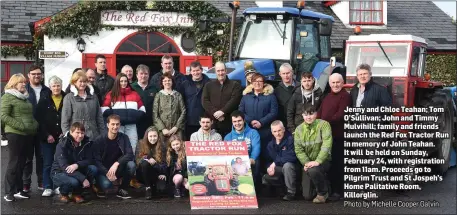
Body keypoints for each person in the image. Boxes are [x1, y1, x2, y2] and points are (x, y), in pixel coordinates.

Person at [1, 74, 38, 202]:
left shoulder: (24, 98)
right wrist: (20, 126)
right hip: (14, 133)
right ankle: (8, 192)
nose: (24, 84)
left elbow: (30, 116)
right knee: (14, 163)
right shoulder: (7, 96)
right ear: (13, 84)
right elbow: (4, 116)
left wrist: (34, 125)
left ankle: (18, 190)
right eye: (21, 82)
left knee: (22, 163)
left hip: (27, 134)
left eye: (24, 82)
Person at [317, 73, 351, 201]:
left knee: (339, 164)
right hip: (327, 137)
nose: (335, 85)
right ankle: (331, 189)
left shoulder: (345, 96)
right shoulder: (327, 97)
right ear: (330, 84)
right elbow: (319, 112)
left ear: (342, 83)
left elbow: (340, 115)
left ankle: (339, 191)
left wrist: (324, 124)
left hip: (339, 136)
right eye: (333, 82)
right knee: (330, 164)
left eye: (338, 82)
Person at [51, 122, 98, 203]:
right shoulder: (62, 144)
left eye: (82, 133)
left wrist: (77, 165)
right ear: (71, 132)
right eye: (77, 132)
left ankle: (76, 193)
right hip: (59, 172)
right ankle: (63, 193)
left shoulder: (86, 143)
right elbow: (64, 167)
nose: (80, 135)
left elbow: (90, 159)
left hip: (75, 169)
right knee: (74, 182)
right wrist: (83, 179)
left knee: (93, 169)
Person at [239, 73, 278, 171]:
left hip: (265, 132)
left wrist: (261, 122)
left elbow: (274, 112)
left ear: (264, 83)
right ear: (251, 83)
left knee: (266, 156)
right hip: (249, 132)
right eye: (255, 81)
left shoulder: (270, 96)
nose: (257, 83)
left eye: (260, 81)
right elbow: (241, 111)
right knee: (252, 156)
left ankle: (265, 180)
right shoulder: (246, 97)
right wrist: (251, 121)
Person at [294, 106, 332, 204]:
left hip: (323, 160)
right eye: (305, 114)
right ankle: (323, 183)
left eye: (311, 114)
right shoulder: (298, 129)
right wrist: (306, 163)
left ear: (316, 114)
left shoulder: (324, 125)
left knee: (314, 170)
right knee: (307, 196)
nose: (308, 117)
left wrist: (318, 161)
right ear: (302, 115)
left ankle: (323, 193)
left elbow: (326, 145)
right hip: (308, 164)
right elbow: (298, 150)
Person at [36, 76, 66, 197]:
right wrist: (47, 134)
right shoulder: (44, 100)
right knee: (48, 162)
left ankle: (57, 185)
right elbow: (39, 119)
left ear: (61, 86)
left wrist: (65, 132)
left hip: (62, 137)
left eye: (58, 85)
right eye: (54, 85)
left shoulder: (66, 98)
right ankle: (47, 186)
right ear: (50, 87)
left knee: (60, 163)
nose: (56, 88)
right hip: (47, 137)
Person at [93, 114, 136, 199]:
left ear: (120, 125)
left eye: (117, 124)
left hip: (118, 168)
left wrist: (117, 163)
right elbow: (96, 161)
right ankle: (97, 185)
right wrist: (107, 173)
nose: (115, 127)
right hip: (104, 170)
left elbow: (130, 154)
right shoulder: (99, 140)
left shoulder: (124, 137)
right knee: (106, 185)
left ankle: (122, 189)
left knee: (131, 165)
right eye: (113, 124)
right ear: (107, 125)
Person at [101, 73, 146, 152]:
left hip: (131, 125)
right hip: (117, 125)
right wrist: (116, 116)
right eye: (121, 81)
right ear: (117, 82)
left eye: (125, 81)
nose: (123, 83)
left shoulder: (134, 94)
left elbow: (142, 110)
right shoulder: (111, 94)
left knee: (133, 145)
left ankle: (131, 163)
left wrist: (134, 117)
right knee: (118, 146)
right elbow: (104, 110)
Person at [23, 65, 51, 192]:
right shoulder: (23, 89)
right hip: (27, 129)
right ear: (28, 75)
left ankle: (41, 182)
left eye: (39, 74)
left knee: (41, 157)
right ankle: (26, 183)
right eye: (33, 74)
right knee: (27, 158)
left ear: (42, 75)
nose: (36, 76)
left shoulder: (47, 90)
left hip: (42, 129)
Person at [202, 62, 243, 137]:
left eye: (222, 70)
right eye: (218, 71)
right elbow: (204, 101)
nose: (220, 73)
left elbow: (235, 100)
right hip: (213, 124)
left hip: (229, 124)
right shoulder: (208, 85)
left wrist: (222, 111)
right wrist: (215, 113)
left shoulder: (235, 85)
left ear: (226, 71)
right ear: (215, 72)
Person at [61, 71, 105, 141]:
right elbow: (65, 120)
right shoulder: (69, 98)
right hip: (76, 137)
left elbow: (99, 117)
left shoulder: (94, 97)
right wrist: (67, 136)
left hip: (94, 136)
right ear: (74, 82)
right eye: (80, 81)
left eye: (84, 81)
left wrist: (103, 134)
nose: (83, 84)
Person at [262, 120, 298, 201]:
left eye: (279, 130)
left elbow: (292, 156)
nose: (277, 133)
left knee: (287, 165)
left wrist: (275, 163)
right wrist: (268, 168)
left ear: (284, 129)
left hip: (293, 168)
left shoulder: (291, 140)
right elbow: (267, 160)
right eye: (275, 131)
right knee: (266, 177)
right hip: (279, 169)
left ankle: (291, 192)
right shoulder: (270, 145)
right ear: (272, 132)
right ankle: (282, 190)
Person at [224, 111, 261, 187]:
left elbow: (256, 148)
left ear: (244, 120)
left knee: (256, 161)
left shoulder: (253, 133)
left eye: (239, 120)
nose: (237, 123)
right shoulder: (228, 137)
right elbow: (225, 154)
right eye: (234, 121)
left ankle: (254, 189)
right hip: (233, 163)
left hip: (249, 160)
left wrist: (252, 159)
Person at [153, 73, 186, 144]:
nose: (167, 82)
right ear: (162, 82)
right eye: (165, 81)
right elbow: (155, 114)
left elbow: (183, 111)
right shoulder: (158, 95)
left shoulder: (178, 95)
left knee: (178, 148)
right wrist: (163, 128)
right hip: (163, 131)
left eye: (169, 80)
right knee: (162, 150)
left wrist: (176, 127)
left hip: (176, 130)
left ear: (172, 82)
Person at [181, 61, 211, 140]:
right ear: (190, 72)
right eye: (193, 71)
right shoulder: (185, 84)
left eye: (197, 70)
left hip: (205, 119)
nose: (196, 73)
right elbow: (182, 101)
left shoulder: (209, 83)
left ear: (201, 70)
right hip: (189, 119)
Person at [135, 126, 167, 199]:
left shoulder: (162, 145)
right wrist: (147, 158)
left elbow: (165, 163)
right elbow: (137, 160)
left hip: (157, 172)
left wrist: (162, 173)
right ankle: (148, 187)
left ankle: (153, 185)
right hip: (143, 172)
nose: (153, 138)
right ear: (147, 136)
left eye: (155, 136)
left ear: (158, 136)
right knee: (144, 163)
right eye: (150, 136)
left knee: (161, 190)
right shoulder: (140, 143)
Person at [131, 64, 159, 138]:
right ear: (137, 75)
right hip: (135, 122)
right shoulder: (131, 88)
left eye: (146, 74)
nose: (143, 76)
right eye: (141, 74)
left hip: (151, 122)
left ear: (149, 75)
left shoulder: (154, 88)